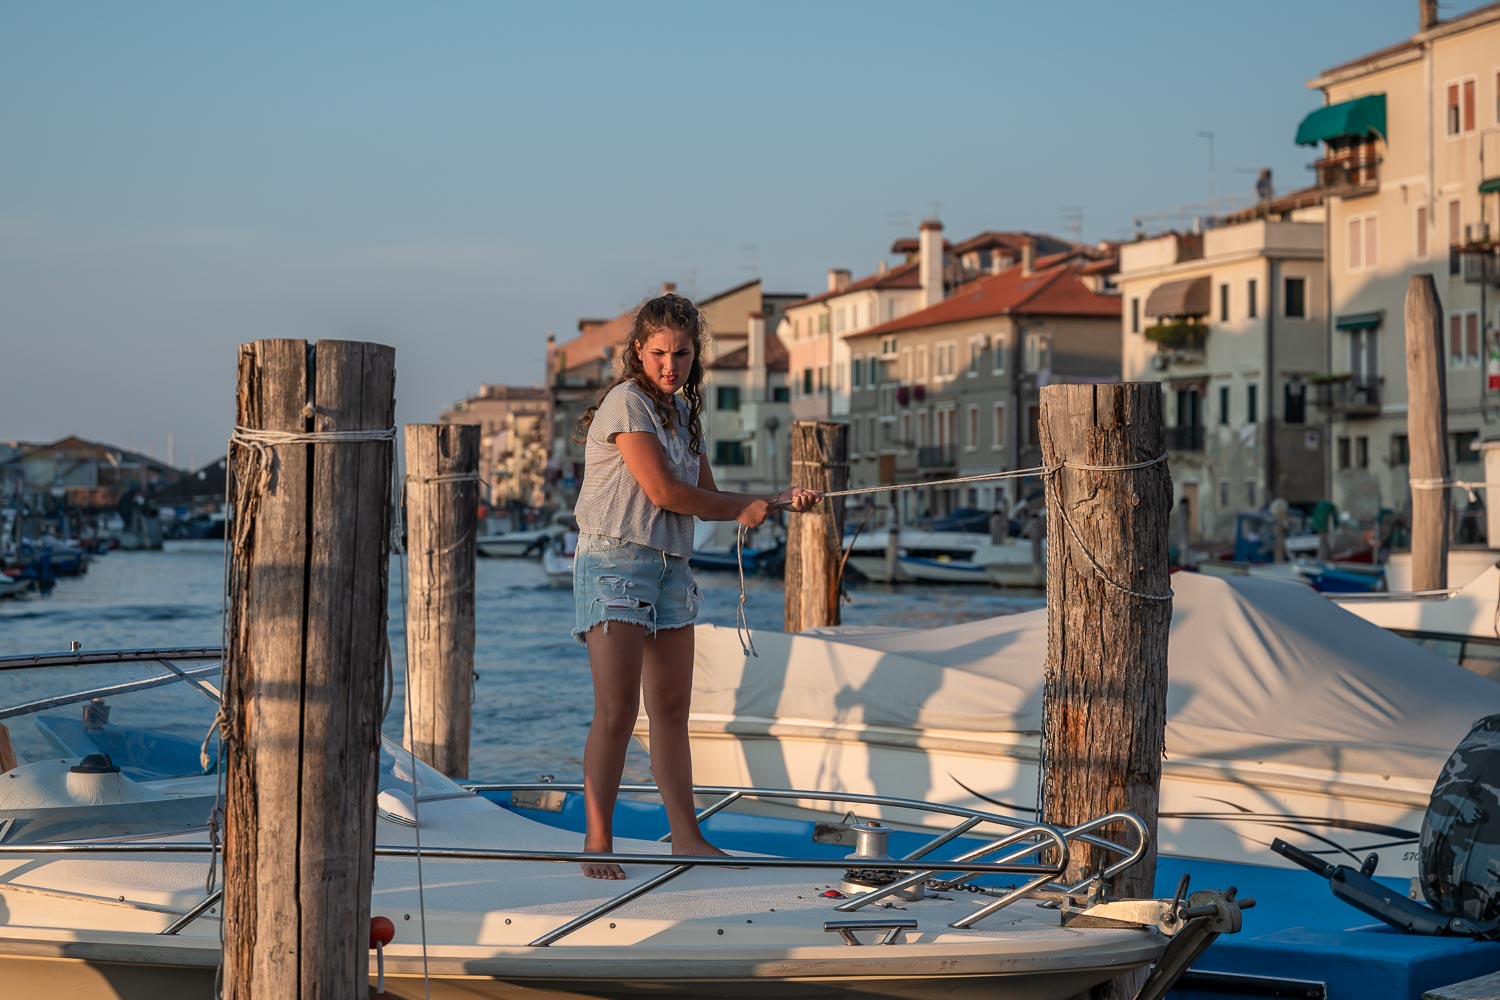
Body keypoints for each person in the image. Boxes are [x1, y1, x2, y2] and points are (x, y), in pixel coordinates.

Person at [571, 292, 821, 880]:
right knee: (616, 710)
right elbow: (664, 493)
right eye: (659, 353)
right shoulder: (626, 404)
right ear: (639, 351)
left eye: (681, 354)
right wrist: (742, 511)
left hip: (671, 569)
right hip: (614, 564)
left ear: (693, 355)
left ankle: (686, 835)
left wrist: (775, 500)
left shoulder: (683, 415)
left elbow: (707, 495)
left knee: (673, 708)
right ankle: (596, 840)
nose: (670, 365)